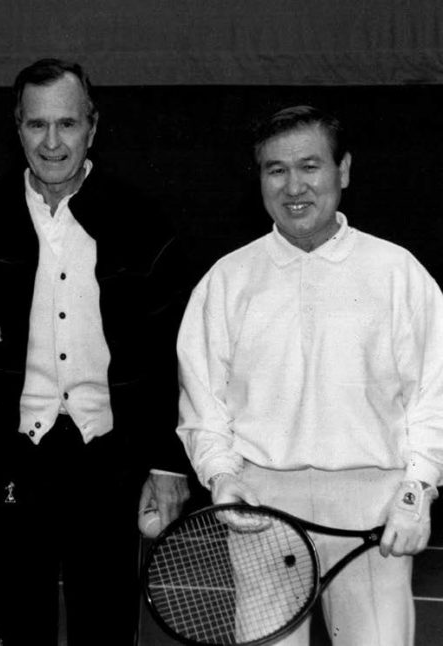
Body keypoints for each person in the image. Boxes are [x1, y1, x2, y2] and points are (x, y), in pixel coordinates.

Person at [0, 58, 193, 646]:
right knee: (18, 628)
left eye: (66, 124)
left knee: (107, 628)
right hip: (11, 458)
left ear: (92, 127)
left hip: (109, 462)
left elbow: (174, 355)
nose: (51, 141)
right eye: (37, 124)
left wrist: (169, 465)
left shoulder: (142, 221)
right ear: (16, 127)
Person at [177, 105, 442, 645]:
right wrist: (223, 478)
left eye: (310, 166)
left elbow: (433, 395)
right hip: (262, 512)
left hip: (373, 516)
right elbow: (204, 404)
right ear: (260, 179)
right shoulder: (226, 281)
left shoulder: (398, 273)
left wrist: (418, 489)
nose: (293, 186)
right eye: (276, 169)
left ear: (343, 170)